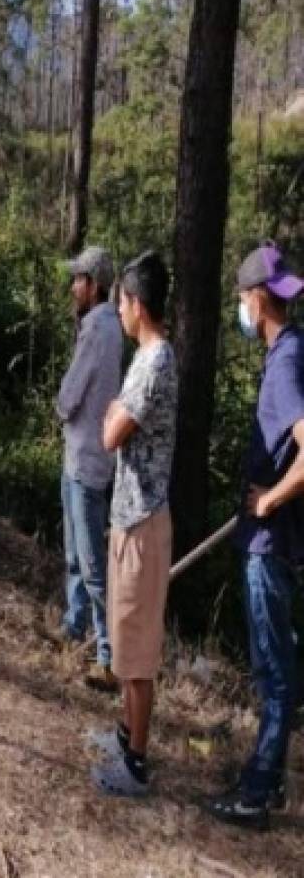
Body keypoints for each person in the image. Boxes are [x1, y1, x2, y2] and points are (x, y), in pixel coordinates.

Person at [205, 243, 303, 830]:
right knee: (276, 665)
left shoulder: (287, 361)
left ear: (257, 299)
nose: (240, 308)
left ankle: (259, 790)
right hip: (272, 543)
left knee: (272, 670)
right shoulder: (288, 353)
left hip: (270, 546)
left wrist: (267, 499)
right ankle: (266, 782)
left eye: (242, 298)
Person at [87, 251, 177, 798]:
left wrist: (112, 415)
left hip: (143, 521)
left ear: (137, 305)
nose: (118, 309)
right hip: (128, 517)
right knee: (123, 640)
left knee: (137, 651)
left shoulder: (157, 360)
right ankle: (125, 736)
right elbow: (114, 421)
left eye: (121, 300)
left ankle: (137, 763)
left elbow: (111, 431)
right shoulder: (144, 357)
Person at [56, 247, 123, 694]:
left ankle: (108, 652)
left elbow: (73, 390)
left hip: (86, 458)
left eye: (79, 279)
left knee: (91, 561)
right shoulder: (110, 326)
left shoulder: (98, 328)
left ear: (94, 285)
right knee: (76, 555)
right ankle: (74, 623)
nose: (73, 287)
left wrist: (60, 405)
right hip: (85, 455)